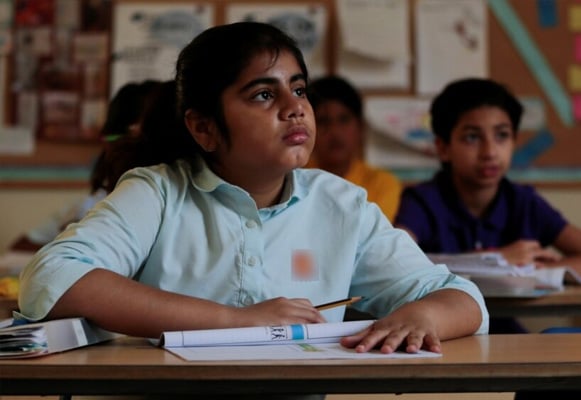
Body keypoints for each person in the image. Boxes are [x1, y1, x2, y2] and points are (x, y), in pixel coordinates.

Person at [19, 21, 488, 366]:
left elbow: (461, 297)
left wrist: (425, 315)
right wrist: (235, 320)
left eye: (299, 89)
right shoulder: (159, 192)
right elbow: (51, 279)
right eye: (264, 95)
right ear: (204, 127)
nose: (295, 109)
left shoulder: (340, 204)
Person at [394, 77, 581, 334]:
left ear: (514, 141)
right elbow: (397, 265)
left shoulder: (523, 202)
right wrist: (495, 261)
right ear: (443, 147)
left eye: (502, 135)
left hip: (505, 334)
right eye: (472, 137)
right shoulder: (423, 201)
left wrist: (533, 271)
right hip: (441, 335)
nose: (490, 151)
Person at [9, 79, 162, 252]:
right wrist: (66, 244)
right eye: (113, 141)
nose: (115, 152)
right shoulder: (92, 205)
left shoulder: (162, 206)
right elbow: (21, 245)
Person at [306, 75, 402, 221]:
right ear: (307, 129)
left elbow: (370, 240)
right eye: (323, 121)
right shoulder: (292, 180)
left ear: (361, 127)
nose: (335, 132)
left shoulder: (382, 184)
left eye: (343, 120)